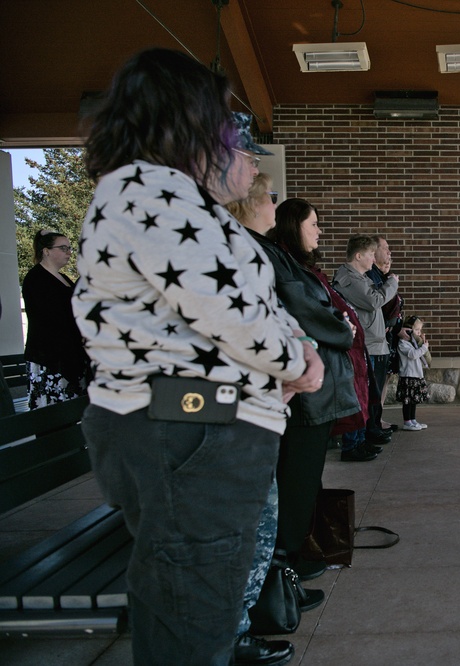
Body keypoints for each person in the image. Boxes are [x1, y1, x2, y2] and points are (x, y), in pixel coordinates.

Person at [72, 48, 324, 666]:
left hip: (196, 426)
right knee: (191, 622)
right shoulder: (148, 189)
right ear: (188, 121)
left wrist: (278, 368)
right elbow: (227, 311)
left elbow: (217, 312)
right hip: (189, 430)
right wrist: (300, 364)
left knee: (198, 612)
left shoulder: (162, 194)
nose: (237, 138)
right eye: (227, 123)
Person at [225, 169, 330, 635]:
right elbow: (259, 319)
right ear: (246, 202)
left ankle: (257, 605)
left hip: (265, 399)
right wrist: (299, 355)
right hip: (239, 406)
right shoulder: (241, 249)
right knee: (259, 513)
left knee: (269, 507)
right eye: (269, 195)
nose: (274, 202)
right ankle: (239, 625)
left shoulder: (261, 251)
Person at [270, 201, 380, 465]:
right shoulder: (282, 263)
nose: (319, 232)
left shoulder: (298, 265)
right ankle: (354, 444)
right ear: (294, 226)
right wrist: (343, 328)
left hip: (320, 383)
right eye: (314, 224)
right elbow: (307, 311)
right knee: (300, 474)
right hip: (306, 390)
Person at [334, 234, 398, 446]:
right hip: (365, 344)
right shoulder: (349, 278)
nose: (373, 258)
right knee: (361, 395)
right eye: (371, 254)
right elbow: (373, 301)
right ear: (359, 255)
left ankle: (366, 435)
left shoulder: (363, 278)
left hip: (374, 342)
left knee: (372, 394)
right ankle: (354, 443)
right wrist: (391, 284)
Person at [21, 229, 89, 409]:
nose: (68, 252)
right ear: (46, 251)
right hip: (50, 357)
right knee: (54, 415)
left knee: (74, 410)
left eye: (69, 248)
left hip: (70, 353)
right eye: (63, 248)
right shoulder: (36, 279)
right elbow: (52, 318)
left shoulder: (64, 278)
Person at [366, 234, 403, 431]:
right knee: (375, 383)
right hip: (377, 338)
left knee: (384, 379)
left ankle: (377, 420)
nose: (389, 252)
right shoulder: (372, 276)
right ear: (373, 252)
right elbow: (380, 305)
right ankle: (373, 423)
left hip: (388, 337)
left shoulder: (383, 276)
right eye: (385, 248)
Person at [396, 315, 430, 431]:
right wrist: (424, 348)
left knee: (414, 400)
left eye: (420, 331)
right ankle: (407, 421)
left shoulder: (414, 343)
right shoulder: (403, 343)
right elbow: (413, 355)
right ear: (408, 329)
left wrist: (422, 346)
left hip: (415, 375)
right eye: (416, 330)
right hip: (408, 376)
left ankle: (413, 420)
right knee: (407, 401)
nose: (419, 333)